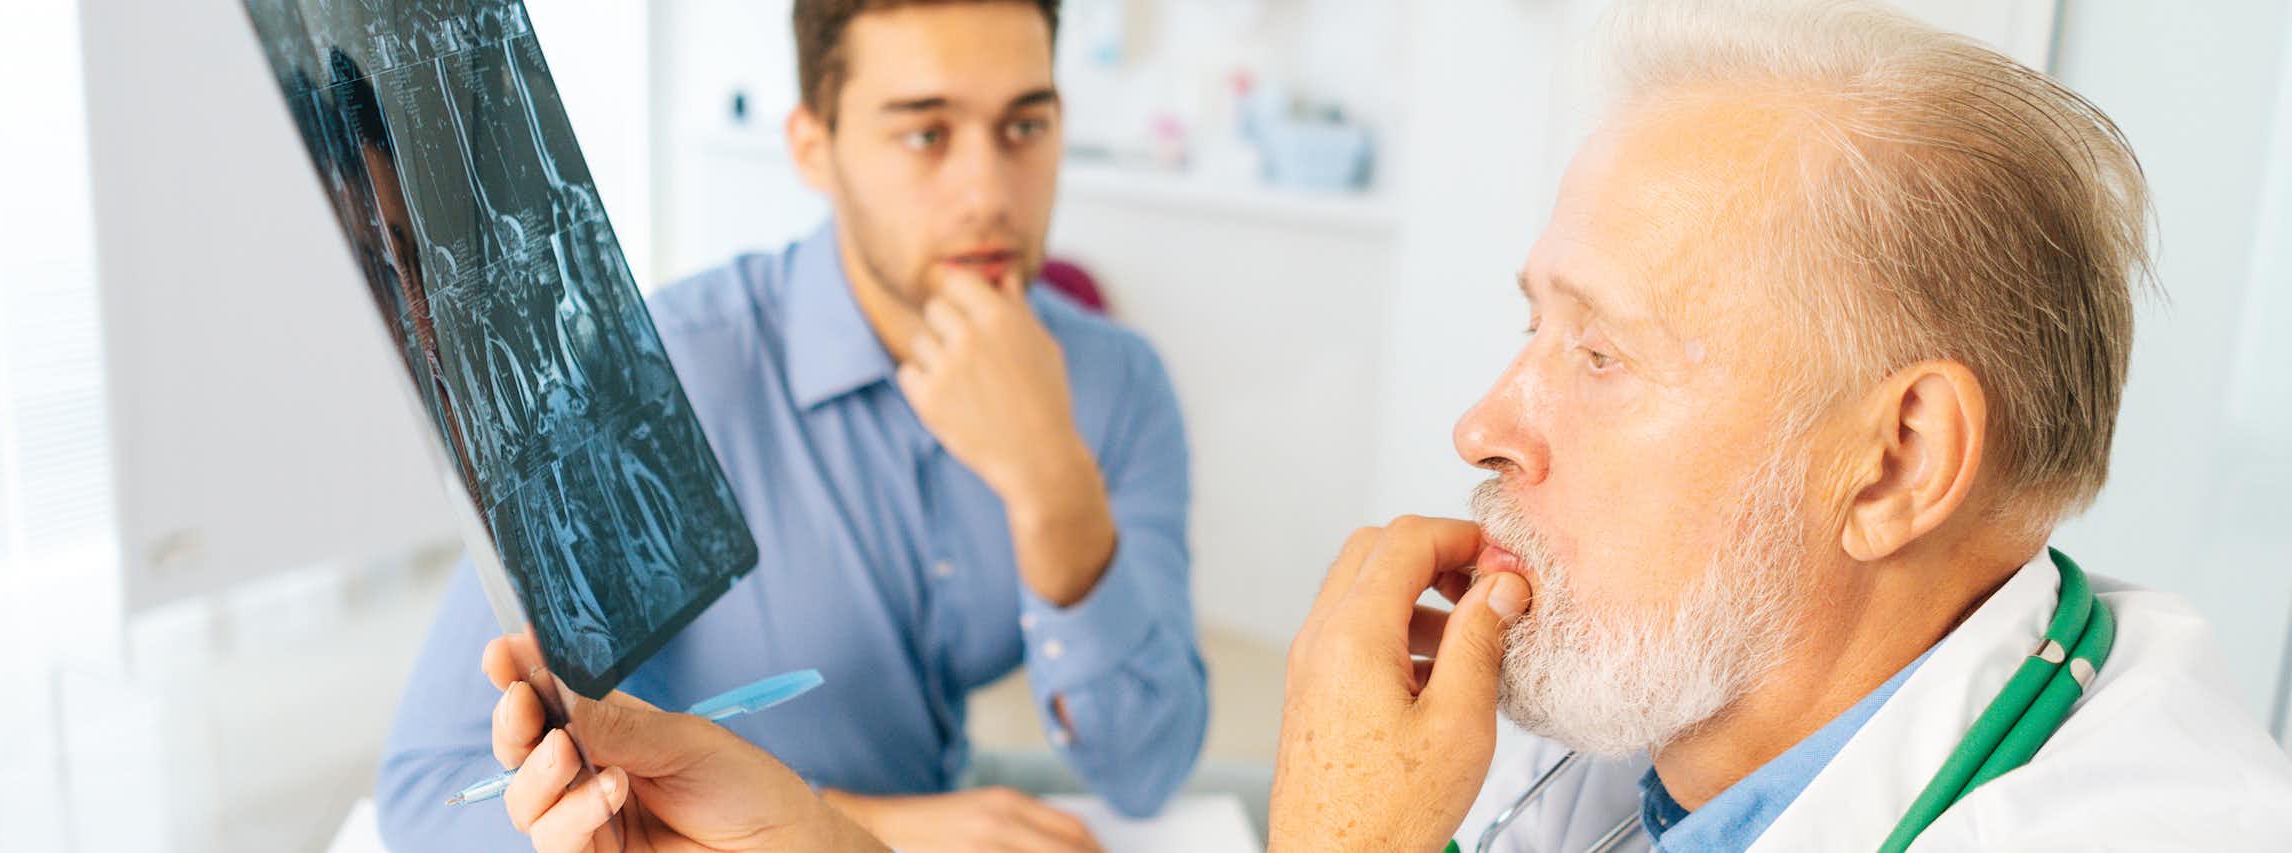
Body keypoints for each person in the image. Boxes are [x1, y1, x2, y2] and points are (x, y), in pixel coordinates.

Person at [474, 1, 2292, 850]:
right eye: (1528, 324)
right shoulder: (1651, 701)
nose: (1485, 419)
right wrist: (827, 847)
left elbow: (1132, 766)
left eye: (1597, 352)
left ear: (1893, 461)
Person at [375, 1, 1209, 850]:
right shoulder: (651, 376)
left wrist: (1054, 487)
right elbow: (428, 800)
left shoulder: (1116, 384)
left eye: (1025, 125)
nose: (989, 193)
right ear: (813, 145)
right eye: (925, 134)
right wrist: (843, 829)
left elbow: (1149, 769)